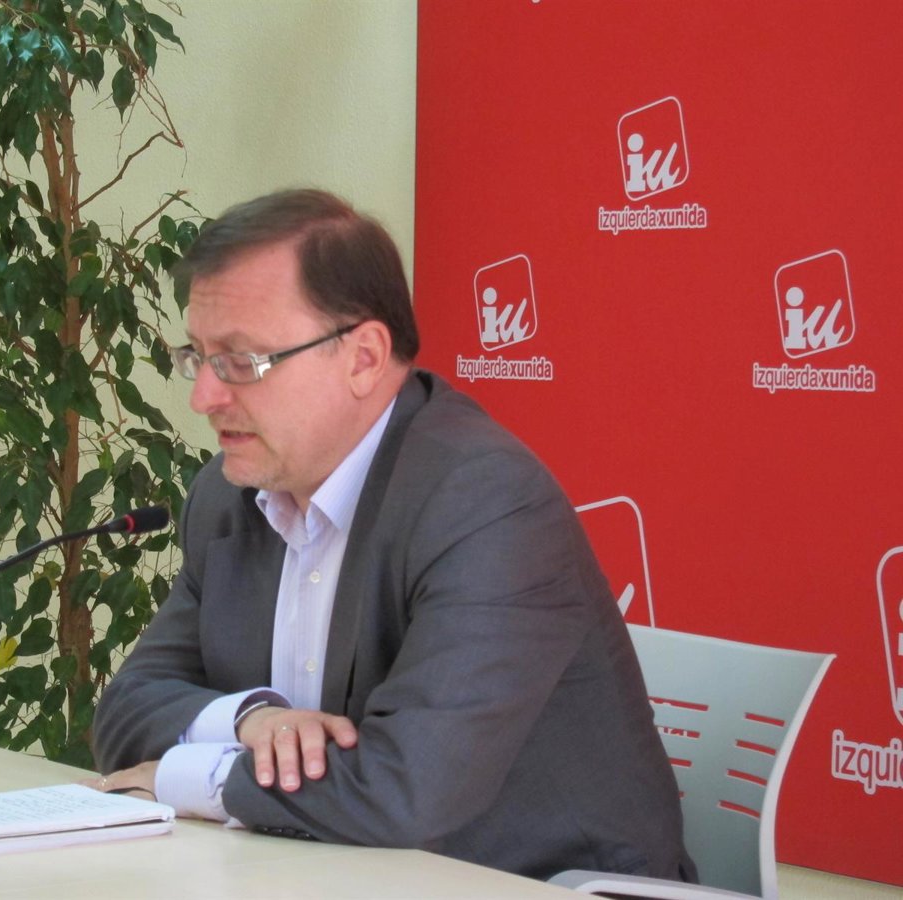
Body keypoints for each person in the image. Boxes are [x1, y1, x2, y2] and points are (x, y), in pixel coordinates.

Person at [91, 188, 695, 882]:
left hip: (533, 883)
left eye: (241, 361)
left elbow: (406, 789)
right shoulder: (229, 498)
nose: (204, 396)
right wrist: (249, 720)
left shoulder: (486, 502)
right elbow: (126, 712)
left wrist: (190, 777)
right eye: (196, 356)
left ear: (364, 357)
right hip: (330, 873)